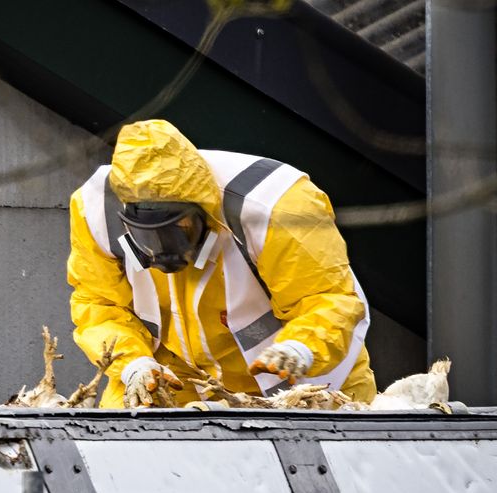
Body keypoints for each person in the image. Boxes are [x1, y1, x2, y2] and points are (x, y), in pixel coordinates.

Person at [67, 119, 375, 408]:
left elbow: (325, 298)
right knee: (126, 438)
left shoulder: (276, 207)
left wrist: (301, 348)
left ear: (205, 213)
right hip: (174, 375)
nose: (164, 249)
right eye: (148, 235)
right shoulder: (97, 211)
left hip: (295, 375)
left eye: (179, 229)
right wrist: (132, 364)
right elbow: (98, 304)